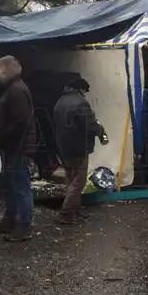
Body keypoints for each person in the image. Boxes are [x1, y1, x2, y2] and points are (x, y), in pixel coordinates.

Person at [0, 56, 36, 242]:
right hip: (13, 147)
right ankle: (10, 220)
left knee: (20, 187)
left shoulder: (16, 91)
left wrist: (1, 139)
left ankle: (23, 226)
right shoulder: (15, 88)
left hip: (17, 148)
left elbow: (20, 122)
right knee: (11, 186)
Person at [53, 78, 108, 225]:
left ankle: (74, 211)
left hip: (64, 148)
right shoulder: (80, 103)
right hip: (78, 147)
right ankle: (66, 213)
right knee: (79, 181)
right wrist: (101, 132)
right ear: (80, 89)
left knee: (70, 179)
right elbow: (90, 125)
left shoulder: (59, 102)